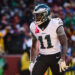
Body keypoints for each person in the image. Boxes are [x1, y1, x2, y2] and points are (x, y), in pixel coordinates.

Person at [29, 4, 68, 75]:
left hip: (56, 56)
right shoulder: (33, 26)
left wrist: (62, 58)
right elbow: (34, 46)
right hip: (43, 56)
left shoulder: (56, 23)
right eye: (35, 15)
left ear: (45, 15)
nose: (36, 17)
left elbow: (64, 43)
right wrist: (32, 62)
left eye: (38, 15)